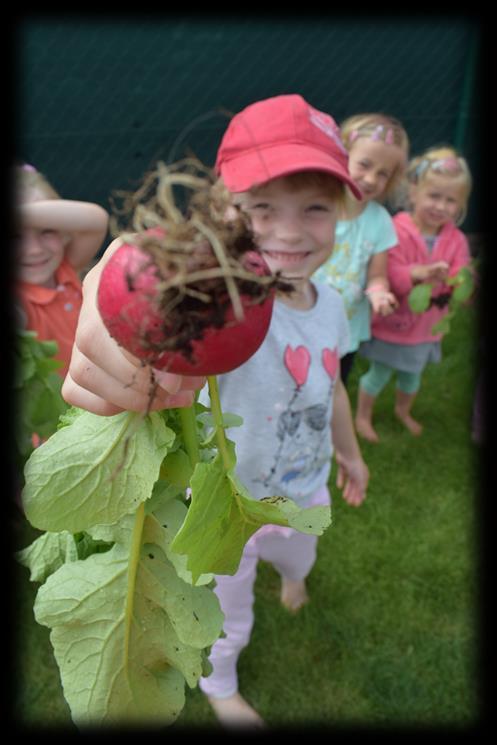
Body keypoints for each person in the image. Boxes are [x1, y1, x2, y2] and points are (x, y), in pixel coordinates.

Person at [61, 94, 369, 727]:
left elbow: (333, 384)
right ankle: (222, 686)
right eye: (262, 209)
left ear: (343, 213)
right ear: (224, 216)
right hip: (224, 509)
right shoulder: (215, 306)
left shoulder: (333, 303)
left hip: (302, 485)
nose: (288, 231)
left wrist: (350, 451)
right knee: (225, 614)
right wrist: (132, 282)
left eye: (314, 208)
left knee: (300, 555)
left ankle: (293, 579)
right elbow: (147, 282)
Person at [355, 146, 472, 442]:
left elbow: (462, 270)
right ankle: (362, 417)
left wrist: (463, 281)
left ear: (460, 206)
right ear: (413, 192)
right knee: (378, 374)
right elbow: (389, 272)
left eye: (450, 201)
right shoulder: (396, 230)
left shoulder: (456, 239)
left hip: (427, 327)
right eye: (434, 196)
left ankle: (403, 411)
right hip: (394, 324)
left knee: (412, 376)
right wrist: (416, 274)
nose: (440, 206)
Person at [313, 113, 409, 384]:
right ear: (342, 156)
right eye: (364, 164)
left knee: (334, 386)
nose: (370, 178)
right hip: (303, 317)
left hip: (346, 326)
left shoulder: (380, 221)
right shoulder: (316, 207)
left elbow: (377, 274)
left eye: (382, 174)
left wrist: (379, 293)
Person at [14, 163, 110, 377]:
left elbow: (97, 220)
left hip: (101, 389)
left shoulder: (65, 267)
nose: (34, 250)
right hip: (60, 408)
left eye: (47, 231)